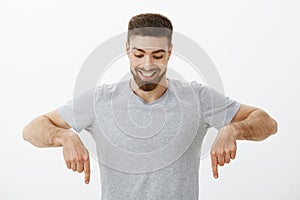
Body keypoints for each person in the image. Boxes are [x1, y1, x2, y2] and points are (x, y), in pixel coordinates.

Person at [23, 13, 277, 200]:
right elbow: (32, 129)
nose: (147, 65)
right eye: (139, 54)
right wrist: (65, 136)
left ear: (169, 52)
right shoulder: (100, 101)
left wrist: (233, 130)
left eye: (157, 55)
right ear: (127, 51)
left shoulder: (198, 97)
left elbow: (267, 122)